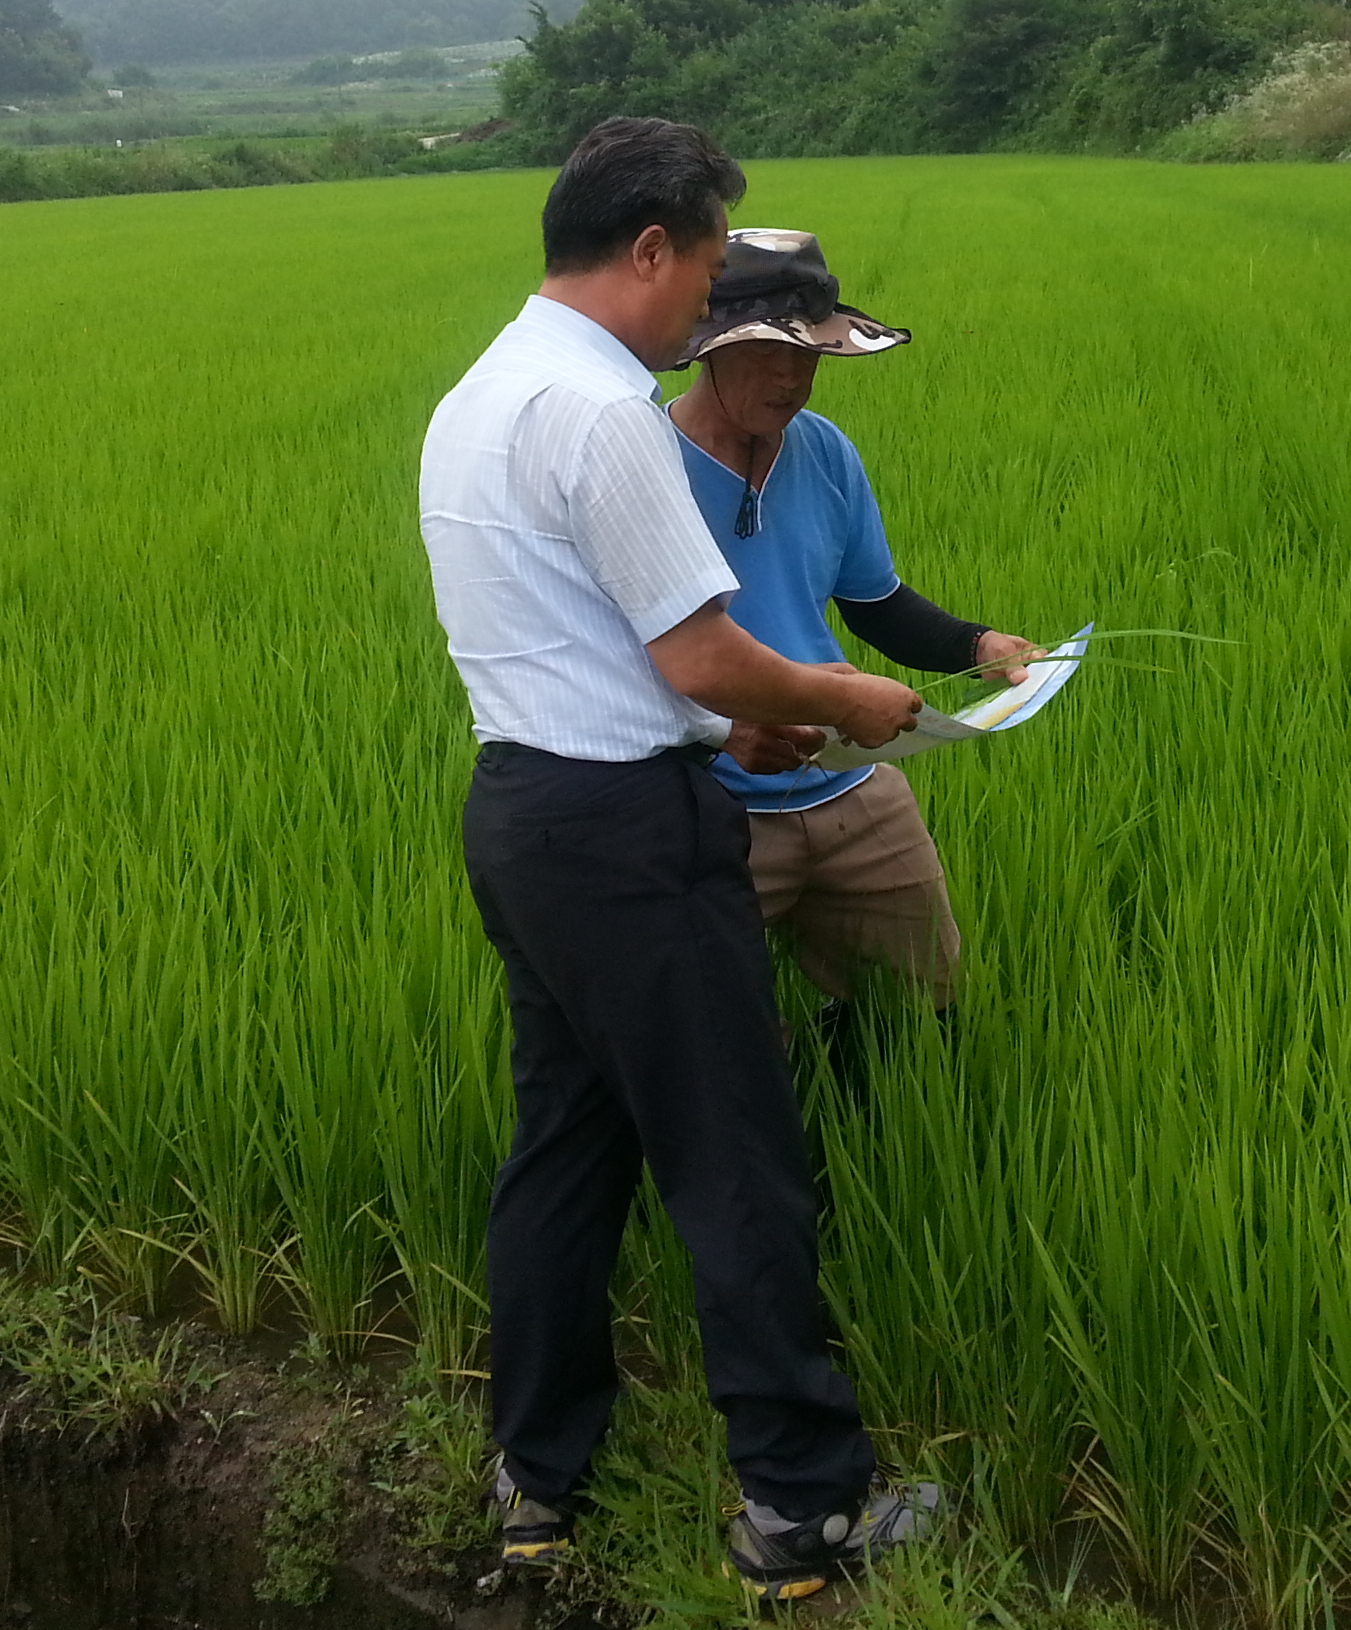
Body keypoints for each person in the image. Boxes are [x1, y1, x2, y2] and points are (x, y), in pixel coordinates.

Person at [417, 117, 943, 1600]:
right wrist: (848, 700)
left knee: (566, 1155)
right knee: (737, 1163)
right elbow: (704, 648)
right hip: (634, 841)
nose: (709, 304)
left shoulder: (482, 389)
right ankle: (801, 1514)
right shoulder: (605, 414)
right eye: (710, 269)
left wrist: (725, 731)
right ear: (651, 250)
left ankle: (538, 1481)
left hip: (526, 814)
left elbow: (587, 651)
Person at [663, 228, 1039, 1069]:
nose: (791, 377)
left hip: (848, 776)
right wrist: (720, 733)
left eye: (809, 354)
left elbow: (874, 602)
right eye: (766, 352)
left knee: (923, 1010)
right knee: (708, 1037)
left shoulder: (826, 450)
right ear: (706, 348)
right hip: (709, 803)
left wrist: (977, 643)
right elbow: (614, 655)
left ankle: (868, 1108)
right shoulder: (644, 467)